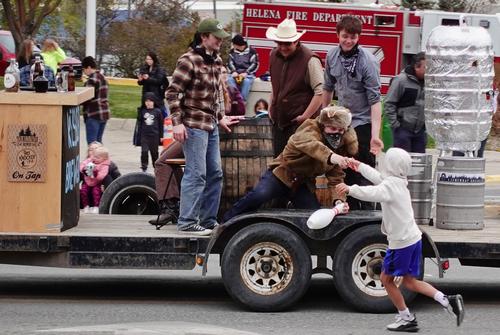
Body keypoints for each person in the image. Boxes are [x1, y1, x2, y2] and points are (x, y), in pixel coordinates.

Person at [335, 148, 465, 332]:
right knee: (410, 282)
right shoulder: (397, 181)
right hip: (413, 238)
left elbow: (373, 193)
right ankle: (447, 301)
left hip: (402, 242)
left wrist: (350, 189)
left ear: (390, 165)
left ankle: (406, 317)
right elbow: (377, 178)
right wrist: (358, 166)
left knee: (386, 280)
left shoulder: (390, 187)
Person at [166, 18, 241, 235]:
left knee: (215, 173)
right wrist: (177, 124)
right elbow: (172, 93)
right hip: (193, 125)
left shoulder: (216, 60)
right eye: (216, 37)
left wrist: (220, 116)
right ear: (204, 37)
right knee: (196, 173)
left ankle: (208, 221)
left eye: (221, 38)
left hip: (210, 125)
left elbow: (216, 93)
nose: (220, 41)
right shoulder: (188, 60)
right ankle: (187, 222)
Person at [223, 106, 358, 222]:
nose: (337, 133)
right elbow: (312, 146)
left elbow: (336, 179)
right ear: (323, 126)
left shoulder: (339, 146)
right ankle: (226, 223)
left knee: (312, 213)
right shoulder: (308, 130)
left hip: (302, 184)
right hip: (281, 175)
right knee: (259, 194)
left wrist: (339, 200)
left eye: (340, 130)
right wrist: (333, 157)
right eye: (333, 128)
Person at [322, 15, 383, 210]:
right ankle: (346, 210)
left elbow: (375, 100)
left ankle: (366, 216)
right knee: (342, 170)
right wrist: (324, 116)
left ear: (359, 38)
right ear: (338, 35)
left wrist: (375, 136)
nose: (348, 41)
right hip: (341, 122)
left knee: (362, 173)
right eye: (345, 36)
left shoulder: (368, 62)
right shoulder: (331, 56)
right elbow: (328, 87)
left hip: (362, 122)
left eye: (353, 37)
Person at [266, 18, 324, 157]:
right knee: (278, 167)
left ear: (296, 41)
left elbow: (320, 92)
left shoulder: (310, 59)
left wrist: (305, 117)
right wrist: (270, 107)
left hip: (301, 127)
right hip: (279, 123)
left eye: (287, 43)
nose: (283, 47)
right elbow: (275, 85)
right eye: (280, 43)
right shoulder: (273, 55)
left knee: (299, 168)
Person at [385, 52, 426, 153]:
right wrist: (396, 125)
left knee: (418, 164)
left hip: (420, 131)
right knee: (402, 162)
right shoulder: (400, 80)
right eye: (427, 67)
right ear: (417, 66)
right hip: (402, 129)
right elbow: (389, 103)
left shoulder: (430, 82)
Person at [148, 141, 184, 226]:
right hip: (193, 132)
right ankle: (178, 207)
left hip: (196, 133)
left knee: (161, 162)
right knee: (164, 155)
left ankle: (170, 209)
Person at [82, 56, 110, 144]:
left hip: (93, 113)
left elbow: (86, 97)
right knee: (98, 142)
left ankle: (93, 158)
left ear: (89, 67)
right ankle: (101, 158)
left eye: (84, 69)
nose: (84, 72)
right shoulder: (102, 77)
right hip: (104, 112)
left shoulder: (92, 80)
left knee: (92, 144)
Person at [227, 34, 259, 101]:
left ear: (237, 44)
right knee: (229, 80)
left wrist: (246, 73)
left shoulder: (252, 51)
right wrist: (234, 71)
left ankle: (241, 101)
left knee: (246, 82)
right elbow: (230, 63)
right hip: (235, 74)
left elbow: (255, 64)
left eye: (234, 44)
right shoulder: (232, 52)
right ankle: (234, 98)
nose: (233, 46)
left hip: (248, 75)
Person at [80, 146, 111, 214]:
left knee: (96, 193)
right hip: (87, 180)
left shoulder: (105, 165)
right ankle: (86, 206)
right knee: (83, 191)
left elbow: (102, 175)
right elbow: (82, 164)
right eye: (94, 156)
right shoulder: (90, 160)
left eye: (98, 157)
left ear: (104, 158)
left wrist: (95, 173)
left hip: (97, 182)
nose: (95, 158)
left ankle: (96, 207)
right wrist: (84, 169)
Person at [137, 52, 169, 117]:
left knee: (160, 112)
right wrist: (140, 80)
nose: (148, 61)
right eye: (147, 59)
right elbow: (141, 83)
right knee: (146, 113)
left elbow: (159, 81)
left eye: (150, 59)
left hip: (157, 95)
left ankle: (165, 124)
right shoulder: (144, 68)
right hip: (146, 94)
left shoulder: (160, 69)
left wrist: (148, 78)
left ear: (154, 59)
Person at [138, 92, 163, 172]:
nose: (148, 103)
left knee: (154, 153)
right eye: (146, 101)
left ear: (154, 102)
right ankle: (144, 167)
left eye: (150, 101)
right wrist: (138, 137)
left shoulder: (158, 111)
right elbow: (140, 124)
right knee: (144, 152)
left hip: (154, 136)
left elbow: (161, 125)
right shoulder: (142, 111)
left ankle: (156, 168)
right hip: (144, 136)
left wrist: (161, 136)